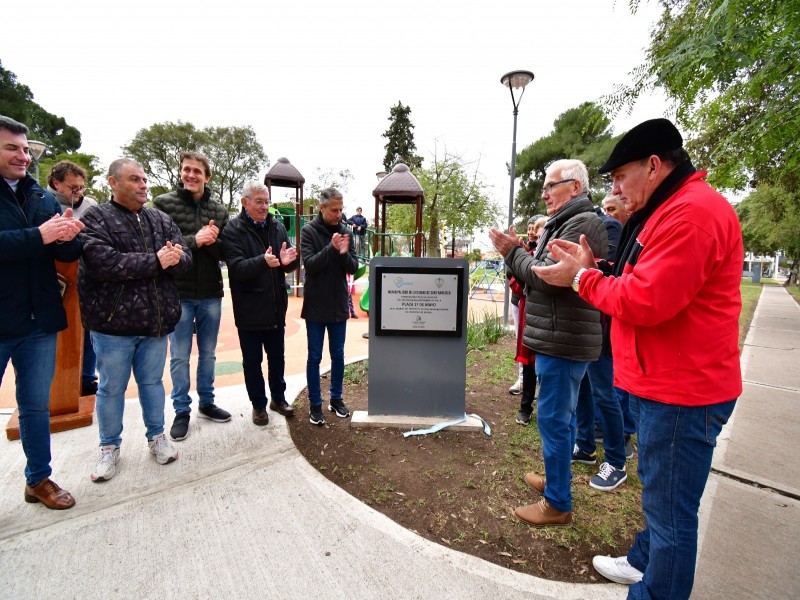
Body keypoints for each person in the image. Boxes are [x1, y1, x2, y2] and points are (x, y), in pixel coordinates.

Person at [532, 119, 742, 599]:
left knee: (672, 517)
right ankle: (642, 561)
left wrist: (583, 281)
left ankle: (653, 585)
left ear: (653, 166)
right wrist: (596, 269)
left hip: (683, 391)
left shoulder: (690, 214)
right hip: (667, 383)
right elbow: (641, 277)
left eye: (619, 176)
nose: (616, 188)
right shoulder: (673, 208)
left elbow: (648, 300)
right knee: (661, 496)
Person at [488, 159, 607, 527]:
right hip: (561, 335)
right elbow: (538, 272)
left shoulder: (582, 223)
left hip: (563, 339)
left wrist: (512, 252)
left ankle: (557, 503)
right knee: (562, 419)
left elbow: (542, 279)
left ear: (574, 187)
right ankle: (556, 482)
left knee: (555, 420)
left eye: (550, 186)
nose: (543, 194)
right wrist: (522, 256)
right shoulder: (569, 221)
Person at [79, 158, 192, 482]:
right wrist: (156, 260)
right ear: (113, 183)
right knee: (111, 389)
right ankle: (109, 448)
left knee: (153, 384)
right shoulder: (96, 218)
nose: (143, 185)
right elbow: (103, 263)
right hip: (113, 326)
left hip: (154, 324)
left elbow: (183, 256)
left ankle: (157, 437)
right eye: (134, 179)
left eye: (144, 179)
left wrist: (175, 258)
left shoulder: (160, 219)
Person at [0, 116, 83, 509]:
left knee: (36, 405)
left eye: (25, 148)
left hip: (38, 321)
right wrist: (39, 236)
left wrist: (69, 239)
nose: (22, 155)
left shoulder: (42, 197)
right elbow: (34, 241)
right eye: (10, 148)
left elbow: (59, 254)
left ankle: (38, 479)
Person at [153, 152, 231, 441]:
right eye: (186, 170)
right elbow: (160, 245)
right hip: (178, 292)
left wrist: (211, 242)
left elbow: (224, 253)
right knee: (180, 356)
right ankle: (181, 410)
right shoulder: (163, 204)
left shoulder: (219, 210)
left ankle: (207, 403)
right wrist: (195, 240)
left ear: (207, 176)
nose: (191, 175)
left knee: (209, 353)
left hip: (211, 291)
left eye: (197, 171)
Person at [221, 181, 299, 426]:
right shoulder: (233, 230)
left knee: (278, 358)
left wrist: (289, 263)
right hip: (249, 311)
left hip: (276, 309)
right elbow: (236, 268)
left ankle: (278, 398)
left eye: (266, 201)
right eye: (259, 201)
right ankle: (258, 405)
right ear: (245, 202)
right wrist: (263, 261)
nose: (265, 206)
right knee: (252, 362)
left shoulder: (277, 227)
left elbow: (283, 263)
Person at [571, 207, 627, 491]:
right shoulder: (578, 224)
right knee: (582, 389)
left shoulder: (609, 226)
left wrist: (585, 267)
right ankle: (585, 446)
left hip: (601, 327)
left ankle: (617, 460)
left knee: (605, 394)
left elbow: (612, 271)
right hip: (583, 325)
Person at [300, 187, 359, 426]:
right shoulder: (308, 231)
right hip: (315, 305)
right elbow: (310, 265)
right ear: (321, 207)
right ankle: (315, 404)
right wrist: (330, 249)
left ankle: (336, 399)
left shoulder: (345, 231)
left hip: (337, 305)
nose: (339, 214)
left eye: (341, 209)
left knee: (338, 355)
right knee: (314, 357)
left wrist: (343, 253)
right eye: (334, 210)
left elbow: (353, 266)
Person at [47, 159, 99, 397]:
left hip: (84, 278)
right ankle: (54, 382)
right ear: (56, 183)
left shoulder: (90, 205)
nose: (78, 193)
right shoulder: (42, 203)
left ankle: (87, 378)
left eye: (81, 187)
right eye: (72, 188)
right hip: (54, 280)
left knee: (88, 330)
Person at [511, 216, 546, 424]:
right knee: (530, 366)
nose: (539, 238)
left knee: (546, 368)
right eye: (538, 235)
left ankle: (543, 407)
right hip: (529, 315)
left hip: (546, 319)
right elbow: (516, 284)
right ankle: (525, 406)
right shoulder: (530, 255)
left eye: (543, 235)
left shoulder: (548, 257)